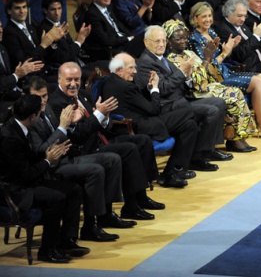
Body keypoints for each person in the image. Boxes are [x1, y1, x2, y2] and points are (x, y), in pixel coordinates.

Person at [49, 62, 161, 222]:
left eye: (77, 79)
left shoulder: (82, 95)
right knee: (128, 149)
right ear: (59, 79)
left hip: (99, 140)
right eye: (69, 80)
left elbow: (103, 125)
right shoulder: (56, 103)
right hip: (82, 150)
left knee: (142, 141)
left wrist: (105, 116)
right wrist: (98, 115)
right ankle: (122, 209)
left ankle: (139, 198)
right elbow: (77, 135)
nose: (73, 84)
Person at [26, 76, 126, 242]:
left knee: (112, 159)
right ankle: (89, 226)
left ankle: (106, 214)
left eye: (44, 96)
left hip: (68, 157)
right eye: (37, 97)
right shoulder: (30, 119)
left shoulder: (48, 108)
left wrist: (71, 124)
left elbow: (66, 133)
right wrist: (64, 126)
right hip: (52, 166)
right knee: (95, 171)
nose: (42, 101)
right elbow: (43, 150)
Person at [0, 94, 88, 263]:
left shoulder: (18, 127)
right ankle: (47, 250)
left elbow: (28, 159)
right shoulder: (10, 137)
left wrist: (46, 154)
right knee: (57, 197)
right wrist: (48, 161)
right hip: (16, 190)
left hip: (26, 181)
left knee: (74, 189)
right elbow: (25, 175)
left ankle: (67, 242)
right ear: (32, 116)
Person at [134, 25, 232, 167]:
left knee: (219, 102)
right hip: (167, 107)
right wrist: (181, 72)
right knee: (211, 111)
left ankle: (208, 149)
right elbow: (161, 88)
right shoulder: (145, 63)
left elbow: (180, 84)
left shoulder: (162, 59)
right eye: (157, 41)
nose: (161, 44)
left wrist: (187, 77)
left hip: (180, 101)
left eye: (163, 41)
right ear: (146, 42)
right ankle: (196, 157)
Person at [183, 4, 261, 138]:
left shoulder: (212, 32)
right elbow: (205, 68)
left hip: (224, 71)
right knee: (257, 82)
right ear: (195, 19)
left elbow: (221, 57)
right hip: (214, 79)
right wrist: (225, 53)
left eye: (209, 16)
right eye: (203, 17)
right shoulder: (194, 40)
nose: (207, 19)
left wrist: (230, 48)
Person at [103, 52, 197, 187]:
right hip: (141, 126)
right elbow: (153, 109)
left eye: (135, 67)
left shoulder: (112, 82)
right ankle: (173, 172)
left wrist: (149, 87)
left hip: (143, 120)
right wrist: (155, 88)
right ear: (119, 70)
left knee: (190, 125)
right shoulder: (126, 86)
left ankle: (172, 173)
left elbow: (139, 101)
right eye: (131, 68)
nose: (135, 71)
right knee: (189, 111)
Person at [163, 20, 259, 151]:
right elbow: (197, 83)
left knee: (235, 92)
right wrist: (206, 59)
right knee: (232, 95)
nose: (183, 41)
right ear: (168, 41)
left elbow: (211, 74)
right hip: (193, 93)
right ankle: (233, 139)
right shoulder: (172, 59)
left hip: (207, 86)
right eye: (178, 38)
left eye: (185, 37)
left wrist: (209, 58)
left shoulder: (189, 54)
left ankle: (238, 137)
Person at [2, 0, 64, 77]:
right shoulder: (9, 32)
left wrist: (53, 42)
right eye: (17, 8)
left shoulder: (31, 27)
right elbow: (23, 62)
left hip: (44, 71)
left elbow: (44, 55)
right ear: (9, 11)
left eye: (24, 7)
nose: (22, 11)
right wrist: (43, 45)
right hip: (30, 78)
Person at [81, 0, 146, 61]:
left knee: (150, 34)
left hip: (122, 43)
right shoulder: (92, 15)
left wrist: (130, 36)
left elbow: (120, 27)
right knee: (147, 37)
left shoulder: (108, 8)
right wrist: (127, 39)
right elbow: (105, 40)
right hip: (113, 50)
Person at [0, 20, 44, 117]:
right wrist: (16, 75)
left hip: (9, 92)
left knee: (38, 96)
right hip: (3, 101)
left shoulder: (2, 48)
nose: (0, 30)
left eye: (0, 26)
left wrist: (20, 91)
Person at [38, 0, 91, 71]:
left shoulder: (60, 24)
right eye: (53, 9)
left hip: (78, 63)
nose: (57, 13)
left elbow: (70, 47)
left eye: (59, 8)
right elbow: (64, 57)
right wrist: (78, 42)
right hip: (64, 69)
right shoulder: (45, 30)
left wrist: (80, 38)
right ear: (45, 11)